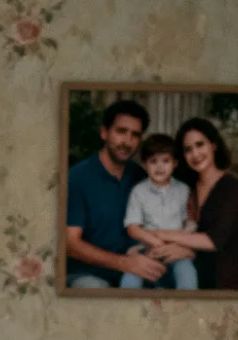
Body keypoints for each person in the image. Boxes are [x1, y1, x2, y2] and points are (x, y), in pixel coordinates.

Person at [63, 98, 171, 289]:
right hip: (88, 274)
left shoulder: (141, 177)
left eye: (135, 135)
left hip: (134, 270)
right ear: (104, 132)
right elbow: (70, 244)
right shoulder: (77, 178)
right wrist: (123, 263)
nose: (127, 142)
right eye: (121, 131)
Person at [163, 116, 238, 291]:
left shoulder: (234, 188)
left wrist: (161, 235)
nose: (195, 154)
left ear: (213, 145)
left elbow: (214, 240)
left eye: (200, 145)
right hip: (191, 277)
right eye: (188, 150)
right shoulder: (187, 188)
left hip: (224, 283)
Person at [119, 133, 199, 290]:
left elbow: (190, 223)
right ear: (144, 165)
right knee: (131, 277)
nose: (160, 167)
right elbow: (132, 228)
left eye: (166, 161)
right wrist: (157, 244)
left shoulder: (184, 190)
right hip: (147, 249)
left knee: (187, 273)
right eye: (153, 161)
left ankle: (188, 304)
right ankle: (125, 304)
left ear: (175, 163)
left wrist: (178, 244)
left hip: (176, 249)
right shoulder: (139, 191)